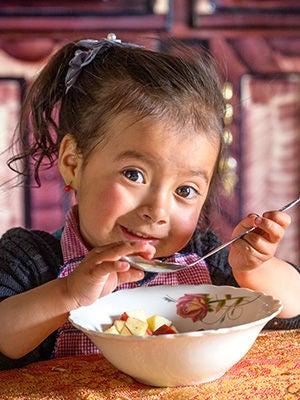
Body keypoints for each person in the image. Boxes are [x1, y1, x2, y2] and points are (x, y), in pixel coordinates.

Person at [0, 33, 299, 370]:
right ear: (73, 164)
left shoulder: (202, 259)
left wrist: (256, 270)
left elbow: (292, 309)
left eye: (184, 191)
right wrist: (68, 293)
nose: (156, 211)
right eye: (134, 174)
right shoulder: (29, 261)